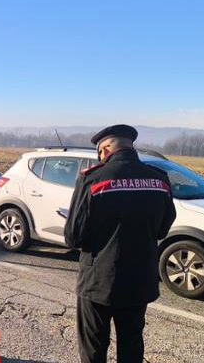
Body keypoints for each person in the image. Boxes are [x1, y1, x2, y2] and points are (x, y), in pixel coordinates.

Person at [64, 124, 176, 363]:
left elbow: (73, 237)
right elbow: (163, 228)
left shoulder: (93, 179)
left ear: (105, 149)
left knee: (94, 349)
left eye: (99, 152)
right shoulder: (160, 180)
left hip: (99, 282)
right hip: (139, 281)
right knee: (131, 346)